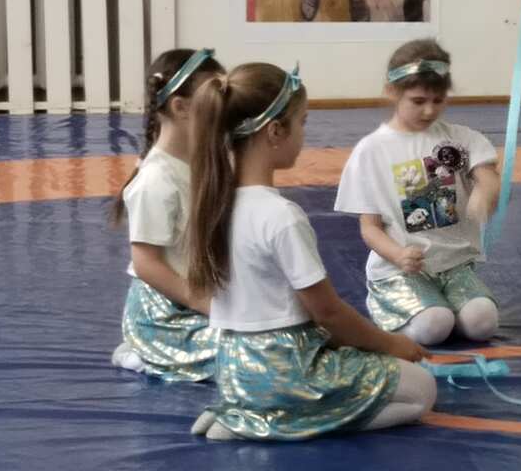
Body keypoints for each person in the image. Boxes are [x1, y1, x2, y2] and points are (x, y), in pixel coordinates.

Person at [186, 62, 435, 441]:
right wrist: (393, 344)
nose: (304, 133)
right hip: (286, 370)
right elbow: (328, 313)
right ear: (275, 131)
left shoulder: (213, 206)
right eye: (302, 122)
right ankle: (261, 422)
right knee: (422, 391)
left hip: (233, 370)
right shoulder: (280, 216)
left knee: (368, 364)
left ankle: (244, 409)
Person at [335, 39, 501, 347]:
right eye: (418, 100)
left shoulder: (460, 139)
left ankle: (444, 305)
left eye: (438, 100)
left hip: (453, 265)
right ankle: (392, 307)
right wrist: (398, 255)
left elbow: (487, 175)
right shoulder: (371, 151)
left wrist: (484, 192)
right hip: (400, 269)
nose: (429, 110)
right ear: (392, 92)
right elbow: (369, 228)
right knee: (434, 327)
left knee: (483, 323)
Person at [110, 48, 225, 381]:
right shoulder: (157, 179)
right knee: (258, 350)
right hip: (164, 318)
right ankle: (143, 352)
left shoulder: (198, 163)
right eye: (216, 98)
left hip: (196, 298)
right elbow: (147, 264)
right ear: (181, 107)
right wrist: (210, 306)